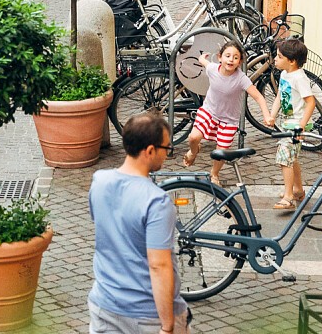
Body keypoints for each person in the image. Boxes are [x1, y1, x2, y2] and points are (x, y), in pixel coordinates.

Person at [88, 111, 190, 334]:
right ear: (150, 150)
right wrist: (167, 325)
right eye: (166, 148)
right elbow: (158, 265)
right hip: (147, 314)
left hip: (104, 305)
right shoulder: (157, 202)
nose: (167, 155)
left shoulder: (99, 182)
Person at [181, 41, 273, 186]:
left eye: (235, 57)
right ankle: (193, 152)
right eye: (227, 56)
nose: (231, 60)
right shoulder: (212, 69)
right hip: (209, 112)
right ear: (220, 57)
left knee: (221, 151)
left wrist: (267, 115)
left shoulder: (241, 79)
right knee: (193, 137)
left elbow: (259, 97)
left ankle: (214, 174)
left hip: (228, 120)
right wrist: (202, 58)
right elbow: (204, 62)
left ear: (240, 62)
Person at [270, 38, 315, 210]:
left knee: (284, 158)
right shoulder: (284, 74)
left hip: (296, 125)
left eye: (279, 56)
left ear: (292, 61)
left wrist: (302, 125)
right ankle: (297, 190)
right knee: (292, 158)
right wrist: (272, 115)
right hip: (287, 123)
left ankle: (288, 197)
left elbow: (310, 102)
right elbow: (280, 96)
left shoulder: (299, 78)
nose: (275, 59)